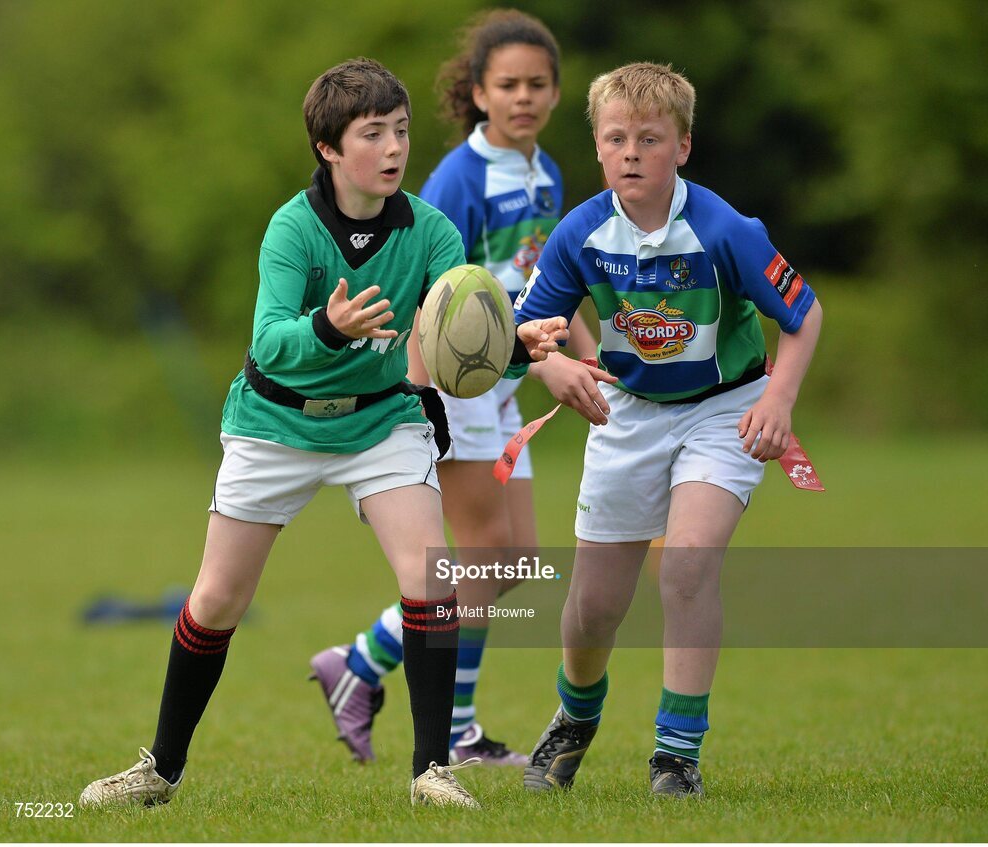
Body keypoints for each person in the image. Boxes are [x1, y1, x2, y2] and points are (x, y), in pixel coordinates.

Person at [77, 58, 568, 811]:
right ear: (330, 150)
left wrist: (516, 342)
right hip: (277, 422)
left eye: (401, 130)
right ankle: (159, 769)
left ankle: (431, 770)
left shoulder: (430, 230)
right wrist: (328, 327)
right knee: (216, 599)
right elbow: (270, 342)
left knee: (430, 575)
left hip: (381, 419)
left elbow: (456, 335)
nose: (394, 147)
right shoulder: (292, 228)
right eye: (373, 134)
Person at [513, 61, 823, 797]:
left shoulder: (725, 230)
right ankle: (576, 715)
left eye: (649, 139)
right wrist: (550, 365)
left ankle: (676, 753)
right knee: (594, 607)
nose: (630, 152)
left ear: (682, 147)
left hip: (723, 411)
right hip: (628, 415)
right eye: (615, 137)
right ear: (596, 147)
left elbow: (804, 316)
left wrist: (778, 400)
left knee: (685, 562)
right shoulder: (580, 233)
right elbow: (531, 329)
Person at [308, 9, 602, 768]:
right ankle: (445, 722)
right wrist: (539, 364)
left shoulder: (545, 172)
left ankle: (364, 663)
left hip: (508, 379)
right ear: (477, 92)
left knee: (511, 561)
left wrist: (587, 351)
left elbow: (547, 280)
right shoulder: (457, 180)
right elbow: (444, 309)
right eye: (507, 84)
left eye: (538, 84)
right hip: (457, 384)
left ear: (557, 92)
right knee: (480, 557)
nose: (524, 97)